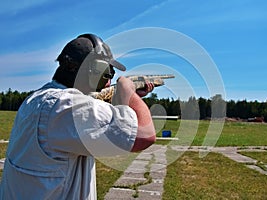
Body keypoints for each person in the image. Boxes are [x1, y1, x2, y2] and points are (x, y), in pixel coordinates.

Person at [0, 33, 156, 199]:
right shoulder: (64, 106)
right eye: (107, 73)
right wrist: (129, 92)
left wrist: (124, 97)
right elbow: (144, 135)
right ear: (93, 70)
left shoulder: (39, 99)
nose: (109, 82)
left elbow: (94, 110)